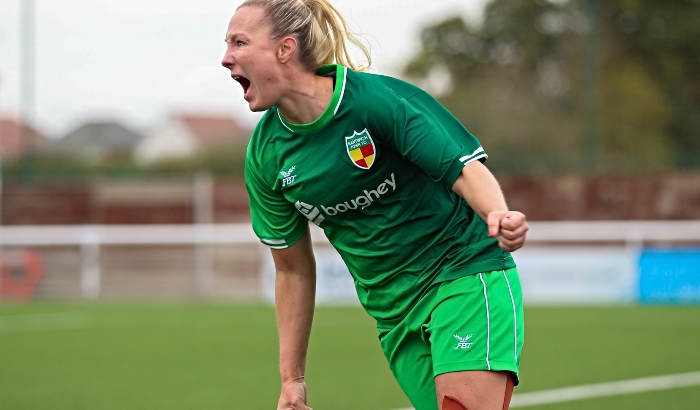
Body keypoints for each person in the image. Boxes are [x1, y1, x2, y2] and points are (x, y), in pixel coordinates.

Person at [221, 1, 529, 409]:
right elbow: (292, 270)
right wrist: (292, 380)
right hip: (395, 316)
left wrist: (497, 213)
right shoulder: (266, 156)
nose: (226, 59)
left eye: (239, 43)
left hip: (464, 274)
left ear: (285, 49)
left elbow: (463, 169)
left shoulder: (374, 102)